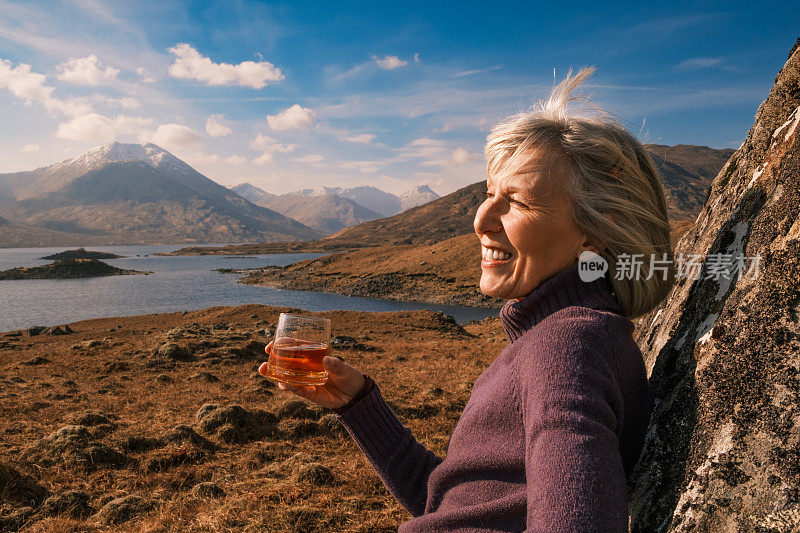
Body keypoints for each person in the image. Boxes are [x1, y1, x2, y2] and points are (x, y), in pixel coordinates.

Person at [259, 67, 674, 532]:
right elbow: (457, 506)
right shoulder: (567, 338)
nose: (481, 219)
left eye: (516, 201)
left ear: (596, 230)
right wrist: (357, 404)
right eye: (489, 193)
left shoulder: (566, 345)